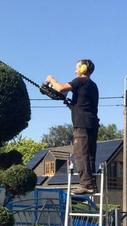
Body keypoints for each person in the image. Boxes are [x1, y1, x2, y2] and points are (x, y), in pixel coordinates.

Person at [45, 59, 99, 192]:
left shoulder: (80, 81)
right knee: (89, 155)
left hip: (82, 125)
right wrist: (70, 104)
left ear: (83, 68)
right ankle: (92, 184)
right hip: (91, 123)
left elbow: (61, 88)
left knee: (81, 154)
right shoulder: (92, 85)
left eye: (77, 67)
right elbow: (83, 105)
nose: (75, 70)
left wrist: (51, 79)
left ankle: (86, 185)